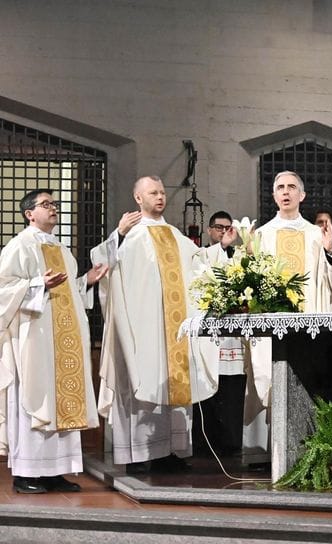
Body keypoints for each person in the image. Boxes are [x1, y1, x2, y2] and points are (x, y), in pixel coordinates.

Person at [92, 176, 218, 473]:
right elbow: (102, 265)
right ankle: (139, 454)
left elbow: (201, 266)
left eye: (162, 192)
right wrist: (118, 235)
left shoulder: (175, 235)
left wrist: (220, 249)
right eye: (153, 192)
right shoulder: (130, 235)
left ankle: (169, 452)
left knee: (173, 383)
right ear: (138, 198)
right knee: (142, 379)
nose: (160, 197)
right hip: (142, 330)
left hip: (173, 330)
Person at [0, 190, 107, 493]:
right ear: (29, 214)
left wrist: (86, 280)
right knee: (37, 400)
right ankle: (27, 474)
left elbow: (68, 290)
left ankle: (54, 471)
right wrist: (37, 285)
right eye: (45, 205)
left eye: (54, 204)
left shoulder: (61, 248)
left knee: (63, 399)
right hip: (34, 338)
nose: (53, 209)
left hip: (62, 340)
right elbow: (3, 288)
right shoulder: (20, 246)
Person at [191, 211, 255, 458]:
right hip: (209, 337)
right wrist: (222, 246)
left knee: (232, 393)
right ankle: (203, 445)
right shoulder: (201, 255)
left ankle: (231, 444)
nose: (224, 232)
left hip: (233, 338)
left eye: (229, 228)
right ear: (209, 230)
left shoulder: (239, 259)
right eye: (219, 227)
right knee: (207, 391)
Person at [256, 172, 332, 312]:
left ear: (302, 195)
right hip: (272, 315)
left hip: (309, 316)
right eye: (280, 188)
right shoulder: (262, 235)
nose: (285, 192)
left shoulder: (316, 234)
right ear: (274, 197)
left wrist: (330, 252)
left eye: (291, 187)